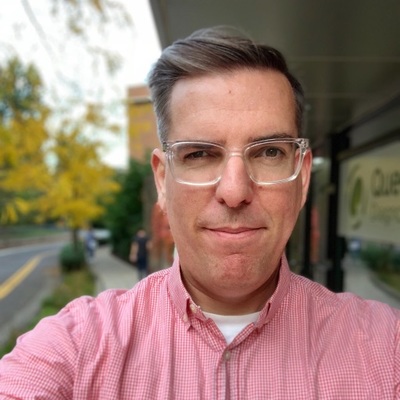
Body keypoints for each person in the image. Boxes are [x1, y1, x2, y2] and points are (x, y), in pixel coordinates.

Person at [0, 26, 399, 398]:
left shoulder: (385, 349)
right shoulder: (75, 349)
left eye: (269, 152)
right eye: (200, 154)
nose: (235, 191)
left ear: (303, 177)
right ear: (162, 180)